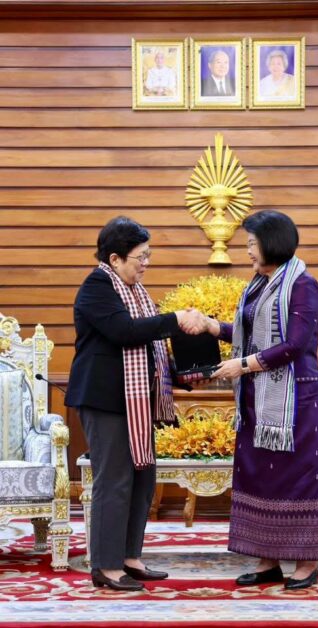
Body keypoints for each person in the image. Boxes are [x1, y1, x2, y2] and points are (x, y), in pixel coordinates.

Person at [65, 216, 203, 591]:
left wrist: (186, 375)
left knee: (142, 480)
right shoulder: (96, 287)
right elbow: (124, 332)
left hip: (136, 402)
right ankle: (107, 566)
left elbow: (150, 351)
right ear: (115, 258)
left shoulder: (136, 292)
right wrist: (175, 318)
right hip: (105, 400)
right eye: (141, 256)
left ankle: (129, 557)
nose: (146, 263)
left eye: (148, 255)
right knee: (115, 481)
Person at [205, 210, 318, 590]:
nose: (247, 251)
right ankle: (267, 561)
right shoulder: (259, 285)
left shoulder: (303, 285)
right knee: (260, 478)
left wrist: (241, 365)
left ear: (272, 243)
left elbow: (294, 345)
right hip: (257, 398)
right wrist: (212, 326)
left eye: (252, 243)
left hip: (296, 401)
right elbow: (248, 336)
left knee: (297, 479)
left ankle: (307, 563)